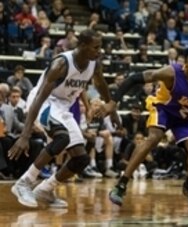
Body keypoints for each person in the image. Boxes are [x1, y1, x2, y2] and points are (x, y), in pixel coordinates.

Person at [109, 51, 188, 208]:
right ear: (186, 67)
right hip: (164, 109)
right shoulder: (171, 73)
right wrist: (113, 102)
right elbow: (134, 79)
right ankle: (122, 183)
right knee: (154, 138)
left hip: (187, 118)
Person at [8, 29, 117, 208]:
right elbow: (39, 98)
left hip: (62, 107)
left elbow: (102, 85)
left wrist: (112, 111)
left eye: (100, 47)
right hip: (44, 102)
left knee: (80, 159)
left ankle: (45, 189)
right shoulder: (61, 63)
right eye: (95, 48)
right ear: (82, 46)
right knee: (62, 137)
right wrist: (25, 135)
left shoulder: (93, 65)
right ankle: (24, 182)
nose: (99, 51)